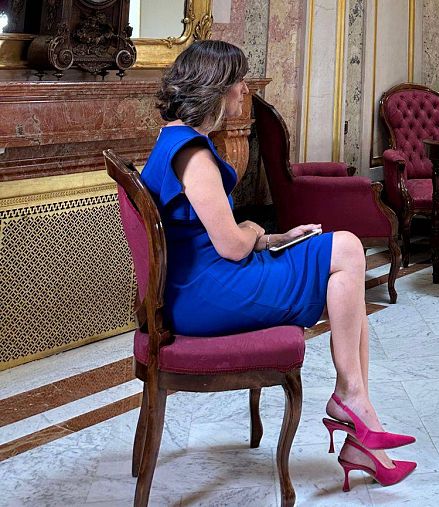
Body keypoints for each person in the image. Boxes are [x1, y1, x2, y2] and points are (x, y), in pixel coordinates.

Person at [141, 40, 415, 491]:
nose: (244, 89)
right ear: (217, 86)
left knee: (344, 256)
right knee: (346, 249)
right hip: (208, 294)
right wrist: (252, 229)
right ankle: (354, 404)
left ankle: (360, 418)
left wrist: (270, 237)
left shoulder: (175, 142)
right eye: (239, 80)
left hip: (201, 286)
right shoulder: (192, 153)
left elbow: (214, 236)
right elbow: (231, 245)